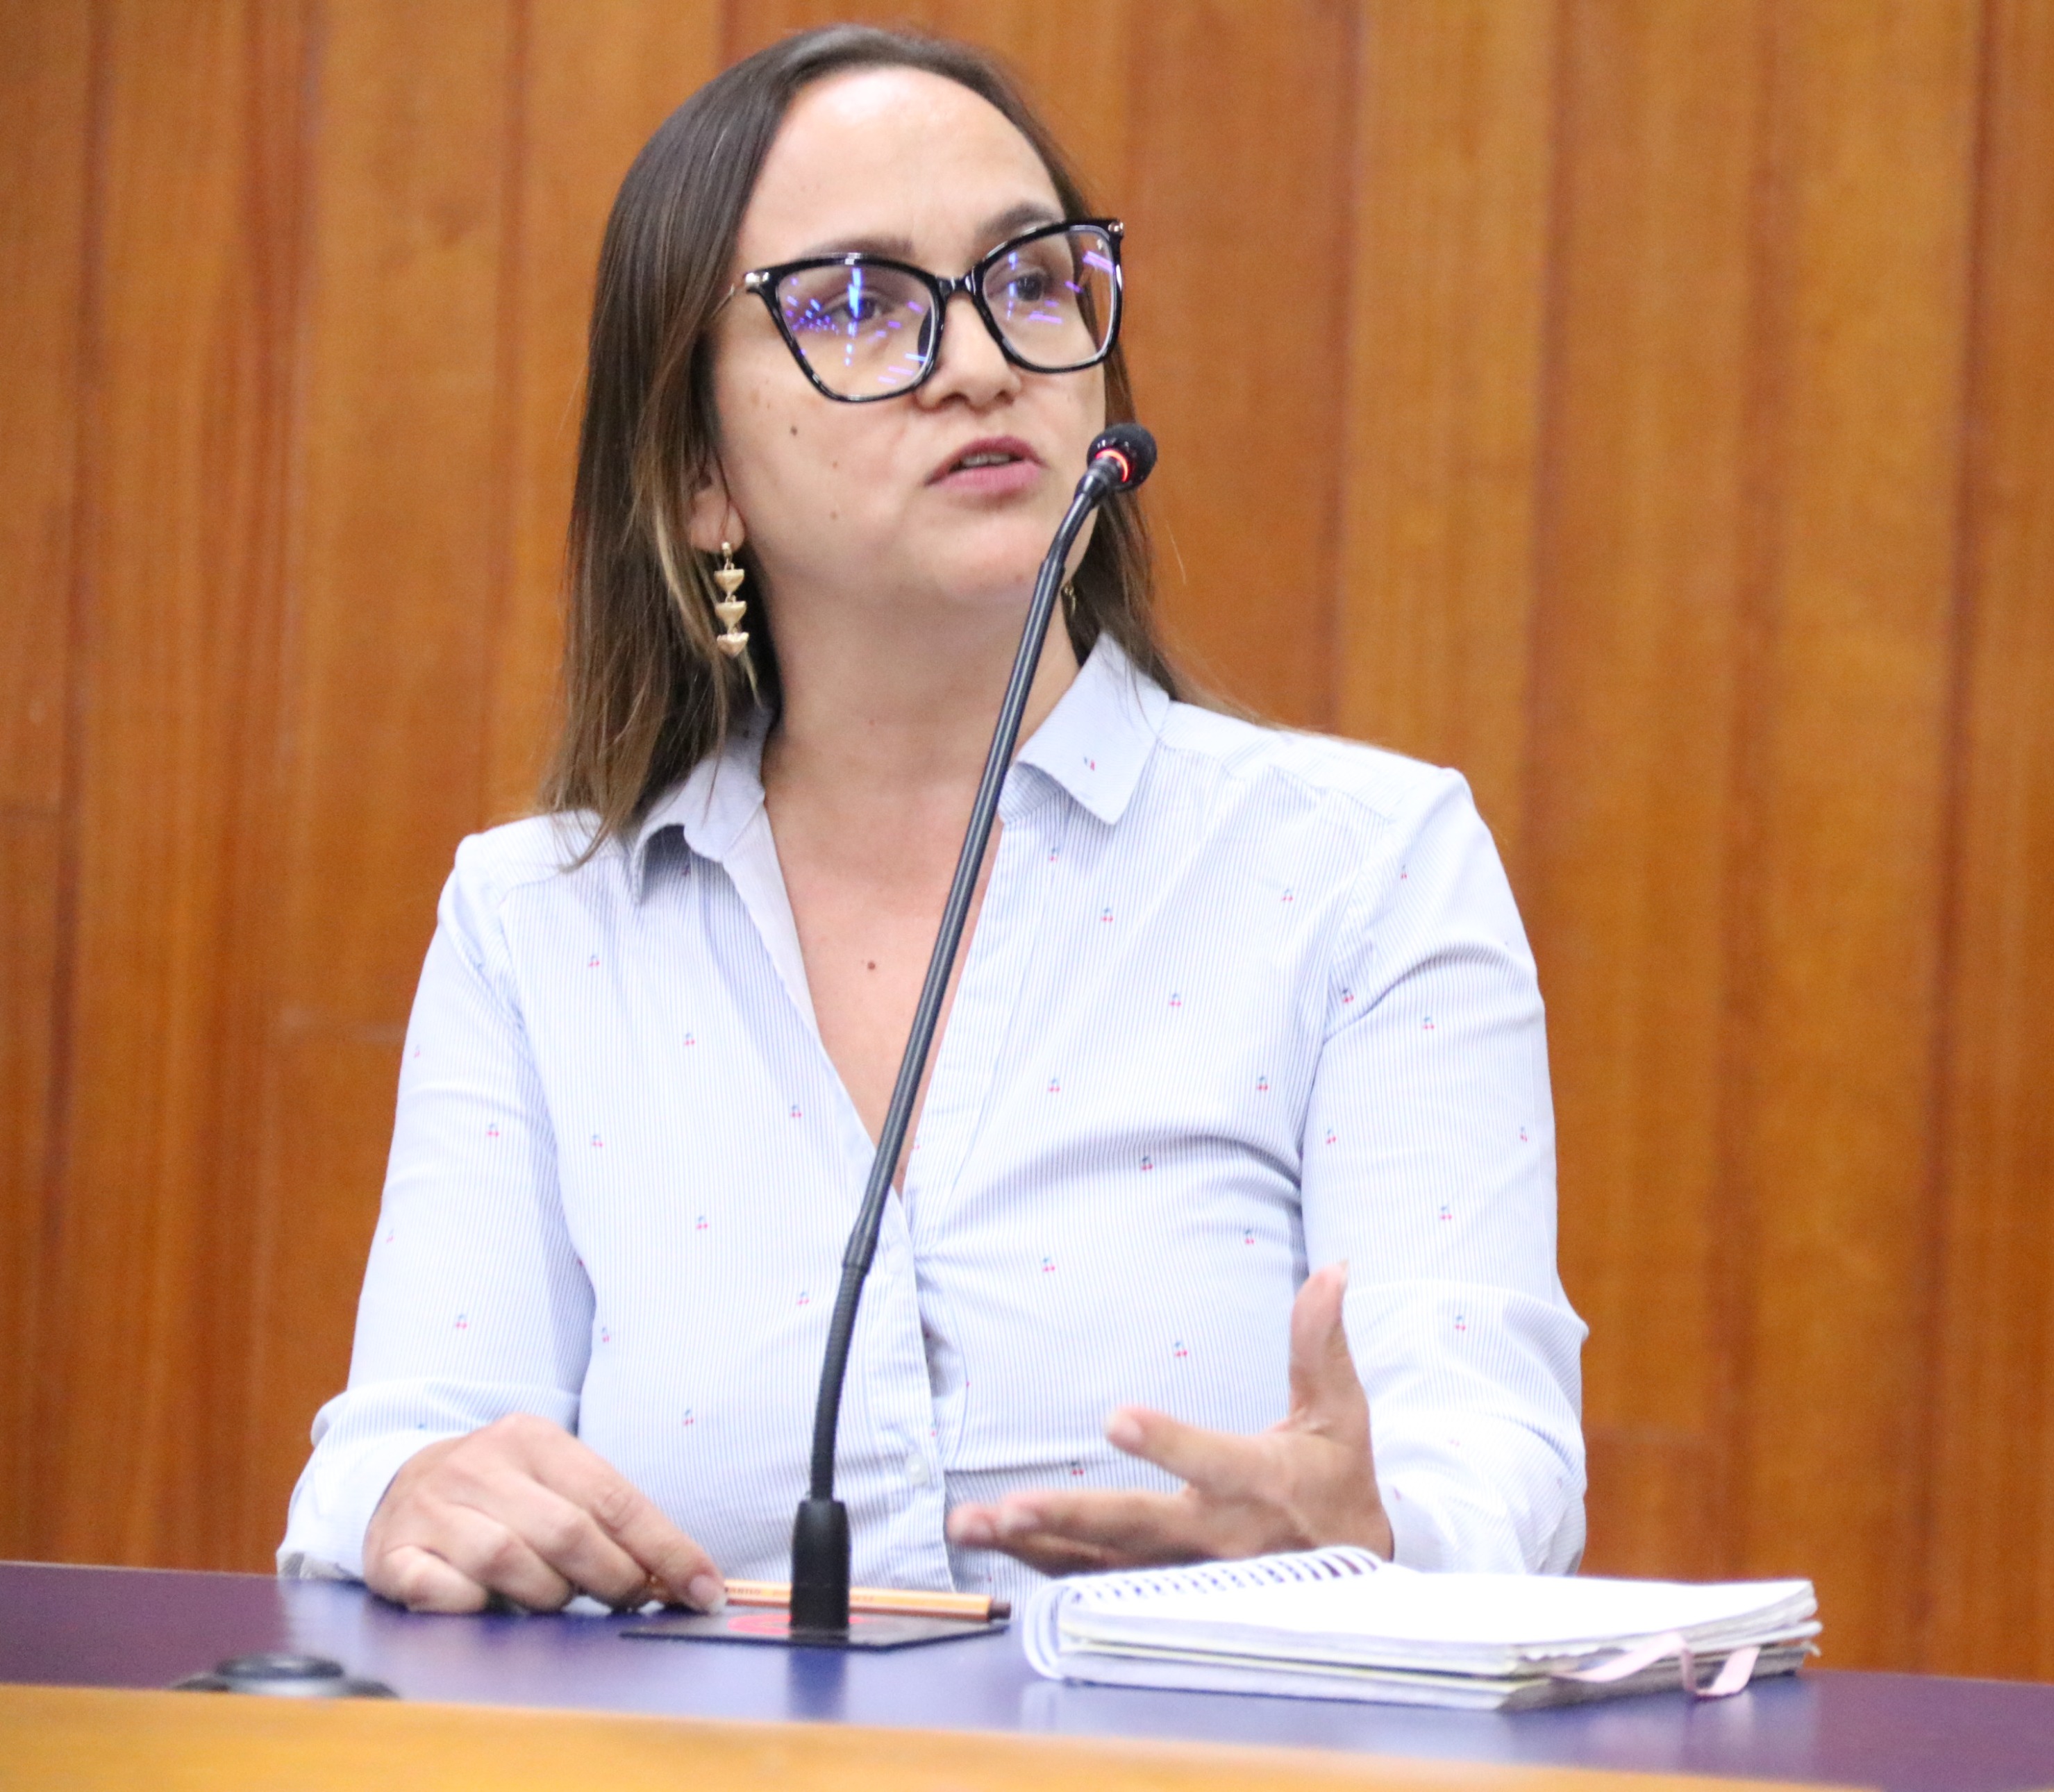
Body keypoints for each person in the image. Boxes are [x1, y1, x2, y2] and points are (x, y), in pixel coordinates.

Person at [278, 24, 1585, 1614]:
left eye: (1030, 281)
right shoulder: (538, 925)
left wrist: (1371, 1527)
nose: (980, 361)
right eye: (856, 303)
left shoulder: (1363, 867)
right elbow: (396, 1449)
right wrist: (411, 1491)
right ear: (697, 474)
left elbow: (1494, 1459)